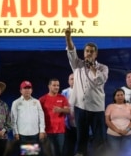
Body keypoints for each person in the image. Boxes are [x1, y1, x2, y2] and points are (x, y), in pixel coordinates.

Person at [65, 24, 108, 156]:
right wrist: (68, 37)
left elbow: (100, 80)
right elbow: (71, 51)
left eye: (91, 51)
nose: (88, 53)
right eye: (87, 51)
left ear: (96, 54)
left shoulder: (103, 68)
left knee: (99, 139)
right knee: (81, 138)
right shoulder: (77, 65)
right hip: (80, 107)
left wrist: (91, 67)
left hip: (96, 108)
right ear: (84, 53)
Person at [39, 78, 70, 156]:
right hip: (47, 131)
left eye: (58, 85)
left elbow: (68, 111)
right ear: (49, 86)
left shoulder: (62, 98)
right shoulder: (42, 100)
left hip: (60, 131)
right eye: (54, 85)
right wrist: (41, 130)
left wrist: (61, 110)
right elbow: (38, 116)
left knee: (60, 152)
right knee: (49, 153)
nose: (56, 87)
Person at [11, 80, 45, 146]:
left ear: (31, 90)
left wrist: (42, 130)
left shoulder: (37, 102)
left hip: (35, 133)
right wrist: (15, 132)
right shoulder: (16, 103)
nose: (27, 90)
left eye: (29, 88)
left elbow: (41, 117)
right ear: (21, 90)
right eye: (25, 88)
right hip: (22, 134)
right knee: (24, 153)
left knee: (33, 153)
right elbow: (13, 119)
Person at [105, 88, 131, 156]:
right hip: (113, 135)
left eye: (122, 95)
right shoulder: (110, 107)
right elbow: (107, 121)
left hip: (128, 135)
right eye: (118, 95)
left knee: (127, 153)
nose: (120, 96)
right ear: (114, 97)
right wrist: (117, 130)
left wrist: (127, 130)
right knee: (115, 153)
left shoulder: (130, 106)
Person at [61, 73, 77, 156]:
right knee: (68, 148)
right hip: (68, 126)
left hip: (81, 125)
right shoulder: (41, 100)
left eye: (75, 78)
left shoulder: (84, 91)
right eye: (71, 79)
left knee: (81, 148)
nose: (73, 81)